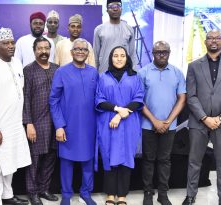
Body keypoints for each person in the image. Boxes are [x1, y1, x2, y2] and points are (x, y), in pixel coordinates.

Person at [183, 30, 221, 205]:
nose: (214, 41)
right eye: (210, 38)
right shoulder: (194, 66)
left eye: (217, 38)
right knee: (194, 161)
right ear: (205, 41)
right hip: (198, 122)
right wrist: (204, 118)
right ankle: (190, 195)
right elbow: (191, 95)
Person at [0, 28, 31, 205]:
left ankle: (7, 196)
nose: (10, 46)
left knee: (11, 162)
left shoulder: (17, 63)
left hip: (15, 124)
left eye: (12, 42)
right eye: (5, 43)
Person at [49, 38, 98, 205]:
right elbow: (53, 100)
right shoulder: (61, 72)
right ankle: (66, 195)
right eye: (77, 49)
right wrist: (59, 126)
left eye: (84, 49)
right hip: (68, 125)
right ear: (71, 52)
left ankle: (86, 192)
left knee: (88, 160)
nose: (80, 52)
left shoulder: (93, 73)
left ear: (88, 53)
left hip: (89, 126)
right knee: (67, 162)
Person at [138, 41, 186, 205]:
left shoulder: (177, 72)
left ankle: (163, 194)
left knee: (165, 160)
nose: (161, 54)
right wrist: (155, 121)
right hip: (148, 125)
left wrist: (167, 121)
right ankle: (148, 193)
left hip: (169, 126)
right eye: (158, 52)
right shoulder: (143, 72)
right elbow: (139, 100)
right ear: (152, 53)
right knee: (148, 160)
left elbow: (182, 99)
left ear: (169, 52)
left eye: (165, 51)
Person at [95, 46, 144, 205]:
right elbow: (99, 100)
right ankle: (110, 194)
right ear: (111, 58)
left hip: (128, 123)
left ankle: (122, 195)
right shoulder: (103, 77)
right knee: (109, 156)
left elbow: (139, 98)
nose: (119, 58)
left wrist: (122, 113)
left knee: (126, 158)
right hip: (108, 123)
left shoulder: (134, 77)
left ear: (127, 58)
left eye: (122, 55)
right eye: (115, 56)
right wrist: (117, 109)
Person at [23, 37, 60, 205]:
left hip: (55, 122)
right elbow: (26, 98)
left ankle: (44, 189)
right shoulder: (28, 70)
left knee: (51, 157)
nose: (44, 51)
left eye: (46, 48)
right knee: (35, 159)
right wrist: (28, 123)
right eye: (40, 48)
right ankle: (32, 192)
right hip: (37, 123)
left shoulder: (57, 69)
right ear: (34, 50)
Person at [93, 0, 136, 73]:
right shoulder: (99, 29)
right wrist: (95, 74)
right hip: (104, 73)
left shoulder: (129, 29)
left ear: (121, 9)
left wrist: (134, 73)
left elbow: (132, 55)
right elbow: (95, 56)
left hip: (124, 74)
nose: (115, 9)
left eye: (118, 6)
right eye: (111, 6)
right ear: (107, 10)